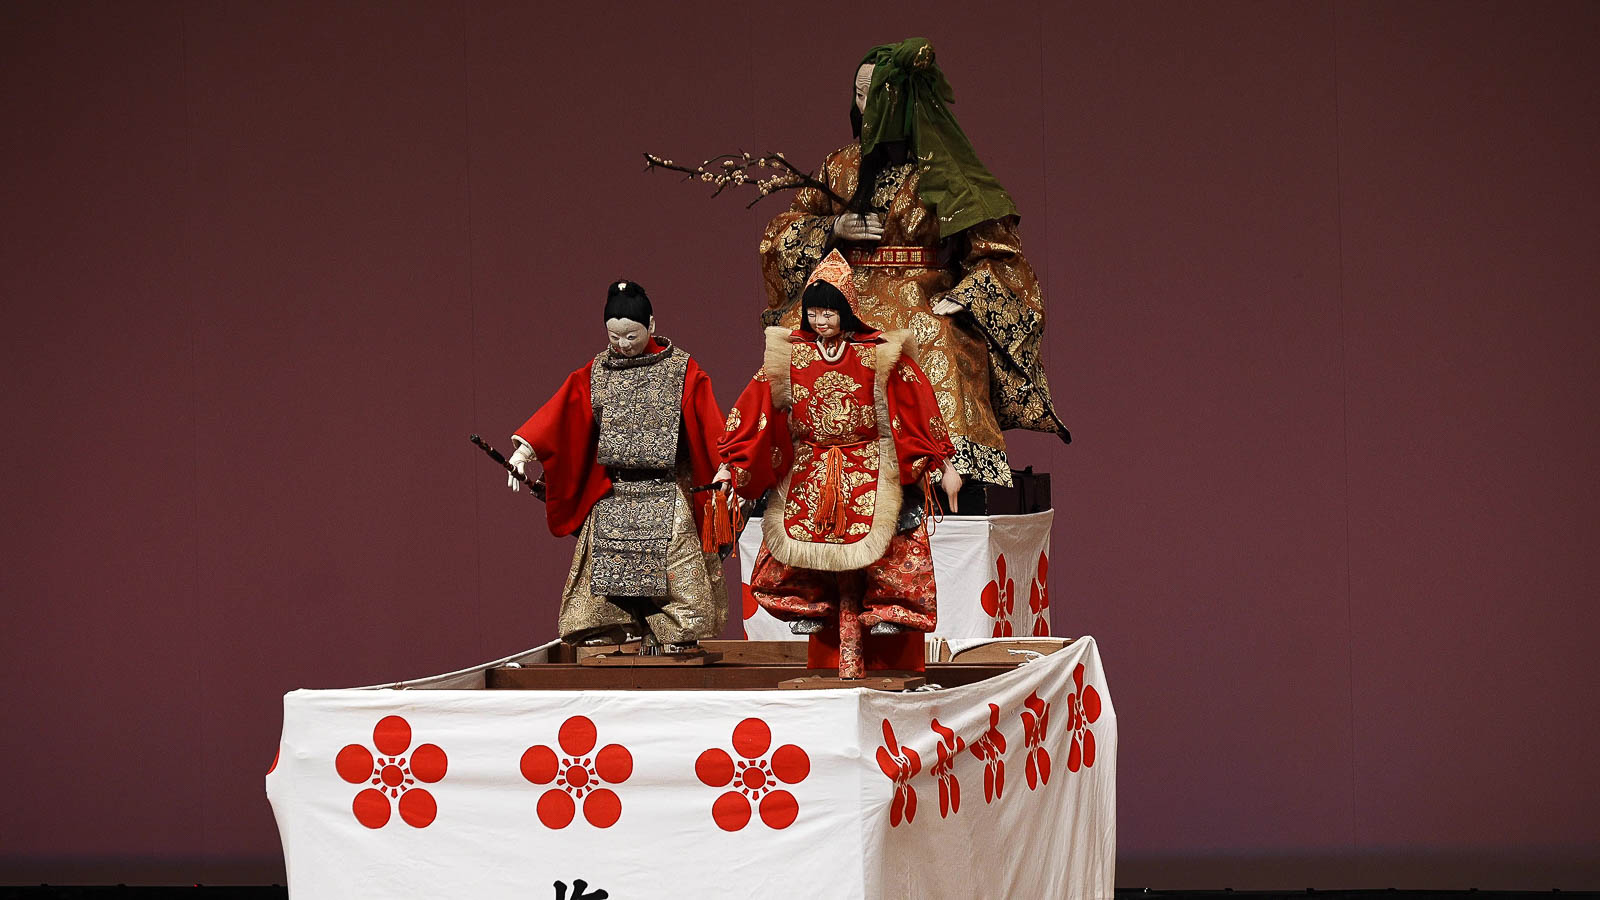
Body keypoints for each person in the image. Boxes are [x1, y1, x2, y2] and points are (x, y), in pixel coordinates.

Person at [758, 37, 1069, 491]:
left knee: (938, 338)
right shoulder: (839, 166)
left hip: (923, 292)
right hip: (846, 293)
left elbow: (998, 251)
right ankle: (792, 468)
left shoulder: (946, 172)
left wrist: (969, 296)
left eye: (877, 95)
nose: (866, 106)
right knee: (794, 338)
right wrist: (833, 227)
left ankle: (943, 469)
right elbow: (783, 232)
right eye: (858, 95)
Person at [717, 250, 960, 635]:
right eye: (813, 313)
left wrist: (944, 463)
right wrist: (730, 463)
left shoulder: (878, 352)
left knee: (892, 537)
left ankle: (891, 609)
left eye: (828, 313)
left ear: (846, 311)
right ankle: (808, 606)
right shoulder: (790, 355)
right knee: (793, 541)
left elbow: (916, 405)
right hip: (810, 461)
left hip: (869, 459)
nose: (820, 321)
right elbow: (754, 407)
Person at [507, 281, 727, 652]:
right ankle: (607, 627)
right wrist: (524, 452)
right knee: (603, 564)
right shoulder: (598, 371)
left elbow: (709, 421)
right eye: (614, 336)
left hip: (665, 489)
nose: (623, 344)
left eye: (631, 335)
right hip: (616, 492)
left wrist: (724, 465)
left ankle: (676, 633)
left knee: (676, 562)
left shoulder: (682, 369)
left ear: (651, 325)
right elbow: (563, 412)